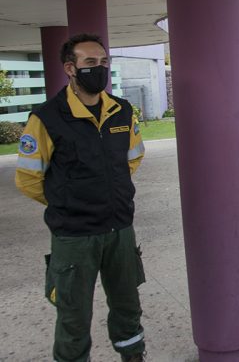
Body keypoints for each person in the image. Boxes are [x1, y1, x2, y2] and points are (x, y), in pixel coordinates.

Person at [15, 33, 147, 362]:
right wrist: (69, 201)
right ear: (70, 68)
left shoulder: (122, 111)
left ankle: (133, 356)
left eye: (103, 62)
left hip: (120, 230)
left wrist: (107, 192)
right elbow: (28, 178)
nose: (99, 68)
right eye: (90, 63)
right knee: (73, 318)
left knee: (128, 309)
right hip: (74, 237)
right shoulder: (46, 118)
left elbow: (133, 158)